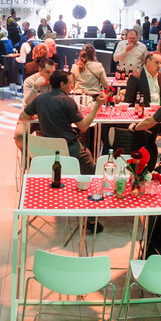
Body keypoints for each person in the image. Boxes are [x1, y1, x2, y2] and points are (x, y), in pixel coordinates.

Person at [19, 70, 108, 232]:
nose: (72, 86)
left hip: (45, 153)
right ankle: (90, 218)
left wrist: (40, 116)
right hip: (68, 150)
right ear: (62, 85)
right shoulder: (68, 101)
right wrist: (97, 105)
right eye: (70, 83)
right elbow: (83, 127)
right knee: (91, 169)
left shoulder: (40, 99)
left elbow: (22, 117)